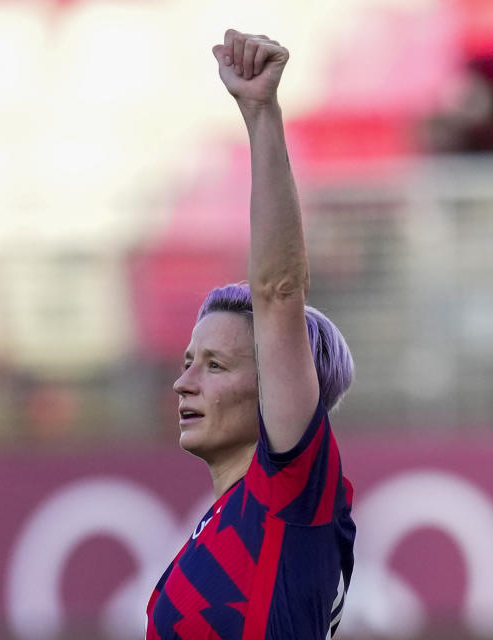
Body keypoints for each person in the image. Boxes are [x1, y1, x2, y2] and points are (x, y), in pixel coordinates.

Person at [145, 30, 356, 639]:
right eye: (189, 361)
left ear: (276, 392)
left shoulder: (288, 490)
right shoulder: (222, 521)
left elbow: (279, 291)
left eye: (214, 366)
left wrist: (260, 113)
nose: (183, 382)